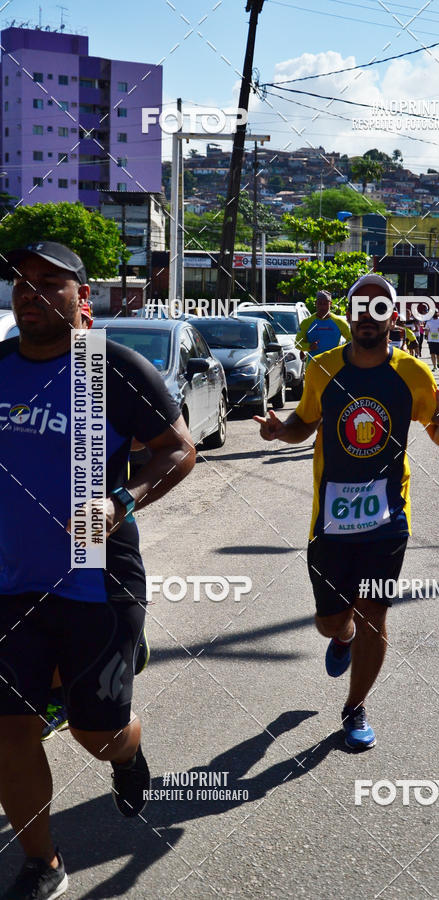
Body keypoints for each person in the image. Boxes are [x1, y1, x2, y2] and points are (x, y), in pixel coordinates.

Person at [0, 241, 196, 899]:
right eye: (23, 282)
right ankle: (42, 863)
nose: (32, 291)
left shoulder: (112, 368)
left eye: (51, 283)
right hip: (8, 584)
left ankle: (128, 752)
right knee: (9, 730)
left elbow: (179, 451)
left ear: (83, 299)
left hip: (97, 580)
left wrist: (121, 502)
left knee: (95, 731)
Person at [255, 273, 439, 751]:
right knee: (332, 620)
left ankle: (354, 707)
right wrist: (276, 431)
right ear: (348, 314)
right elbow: (303, 424)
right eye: (360, 307)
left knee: (374, 614)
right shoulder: (322, 369)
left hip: (388, 519)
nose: (368, 316)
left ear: (393, 316)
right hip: (330, 521)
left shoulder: (413, 374)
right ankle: (341, 636)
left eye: (379, 308)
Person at [295, 289, 351, 365]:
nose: (322, 307)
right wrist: (309, 346)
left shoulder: (339, 322)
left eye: (325, 303)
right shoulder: (307, 322)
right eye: (320, 303)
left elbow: (351, 339)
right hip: (312, 366)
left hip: (333, 367)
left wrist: (340, 351)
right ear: (316, 303)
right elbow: (297, 343)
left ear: (330, 304)